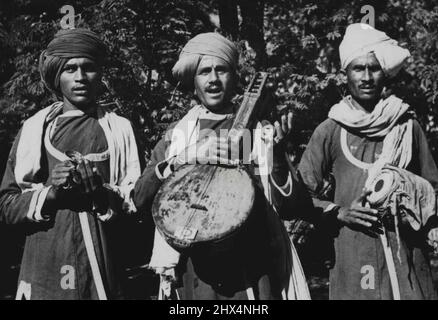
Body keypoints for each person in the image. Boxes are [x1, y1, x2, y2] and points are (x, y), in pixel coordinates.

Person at [133, 32, 310, 300]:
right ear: (193, 82)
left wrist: (276, 154)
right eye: (205, 72)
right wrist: (181, 159)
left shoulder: (260, 132)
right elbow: (141, 199)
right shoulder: (176, 137)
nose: (214, 79)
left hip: (250, 273)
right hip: (193, 274)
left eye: (222, 70)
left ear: (234, 78)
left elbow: (293, 207)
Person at [298, 23, 438, 300]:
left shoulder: (407, 126)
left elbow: (432, 187)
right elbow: (301, 195)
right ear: (345, 74)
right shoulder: (330, 130)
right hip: (353, 254)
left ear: (384, 73)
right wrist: (339, 212)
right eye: (358, 68)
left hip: (406, 254)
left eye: (373, 68)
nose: (366, 77)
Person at [0, 28, 140, 300]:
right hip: (45, 261)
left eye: (88, 68)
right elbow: (6, 205)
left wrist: (101, 195)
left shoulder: (120, 129)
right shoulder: (34, 129)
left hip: (103, 264)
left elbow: (137, 205)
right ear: (56, 75)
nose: (80, 77)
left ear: (100, 74)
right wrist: (52, 192)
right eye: (70, 69)